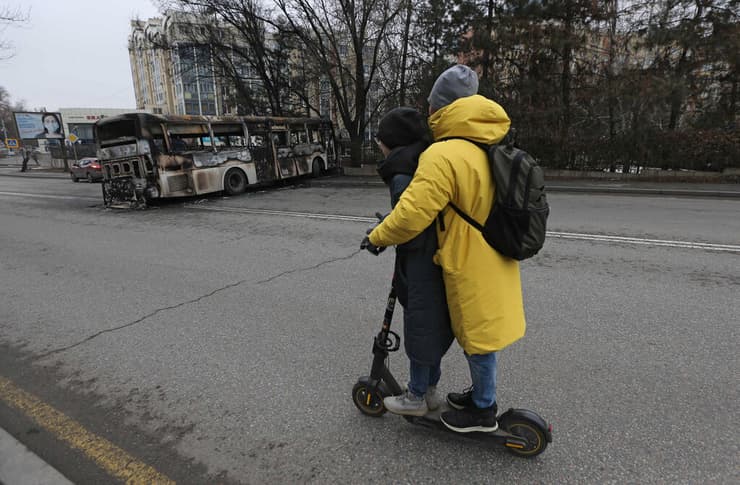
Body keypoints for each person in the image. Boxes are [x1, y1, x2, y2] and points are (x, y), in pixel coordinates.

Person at [363, 65, 526, 433]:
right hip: (494, 250)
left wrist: (376, 237)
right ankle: (480, 400)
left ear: (441, 107)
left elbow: (410, 215)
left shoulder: (445, 154)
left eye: (432, 104)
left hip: (469, 259)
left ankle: (483, 411)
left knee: (478, 339)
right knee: (479, 336)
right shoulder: (487, 143)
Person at [368, 107, 454, 417]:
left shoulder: (401, 171)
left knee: (420, 325)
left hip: (421, 262)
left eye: (380, 139)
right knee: (433, 326)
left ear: (391, 141)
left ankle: (416, 396)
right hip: (441, 256)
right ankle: (429, 390)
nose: (378, 145)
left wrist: (380, 236)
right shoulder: (426, 160)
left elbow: (412, 223)